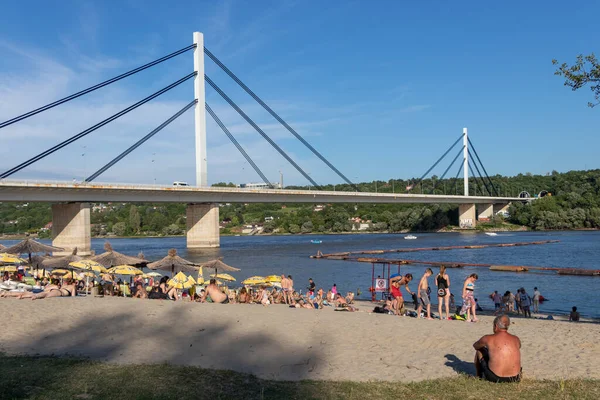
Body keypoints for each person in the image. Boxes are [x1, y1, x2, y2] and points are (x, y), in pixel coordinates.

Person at [473, 315, 522, 383]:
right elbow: (519, 346)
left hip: (496, 377)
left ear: (496, 326)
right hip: (516, 377)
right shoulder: (516, 339)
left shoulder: (487, 338)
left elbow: (475, 346)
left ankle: (479, 376)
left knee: (480, 350)